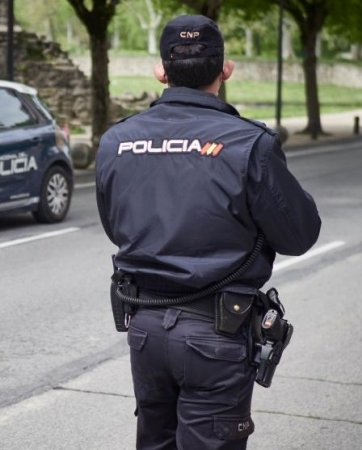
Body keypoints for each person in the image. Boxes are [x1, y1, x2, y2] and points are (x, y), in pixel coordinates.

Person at [95, 15, 321, 450]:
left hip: (144, 327)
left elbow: (115, 227)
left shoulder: (116, 141)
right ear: (225, 69)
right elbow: (299, 235)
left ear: (161, 71)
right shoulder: (249, 144)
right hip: (215, 336)